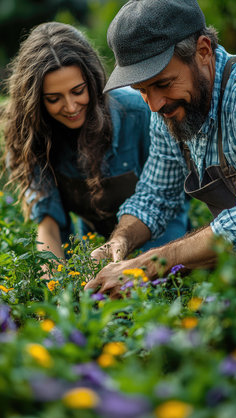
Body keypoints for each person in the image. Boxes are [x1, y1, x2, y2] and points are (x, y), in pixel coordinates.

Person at [86, 0, 236, 297]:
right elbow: (155, 197)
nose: (153, 103)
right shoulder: (170, 109)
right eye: (142, 90)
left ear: (203, 51)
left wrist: (146, 266)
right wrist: (120, 241)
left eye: (163, 83)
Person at [2, 21, 189, 267]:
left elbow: (167, 198)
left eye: (78, 91)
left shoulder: (140, 113)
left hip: (160, 244)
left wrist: (137, 265)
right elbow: (48, 223)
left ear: (93, 82)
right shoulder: (33, 138)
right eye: (54, 99)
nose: (70, 107)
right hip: (92, 250)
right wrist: (55, 282)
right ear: (35, 101)